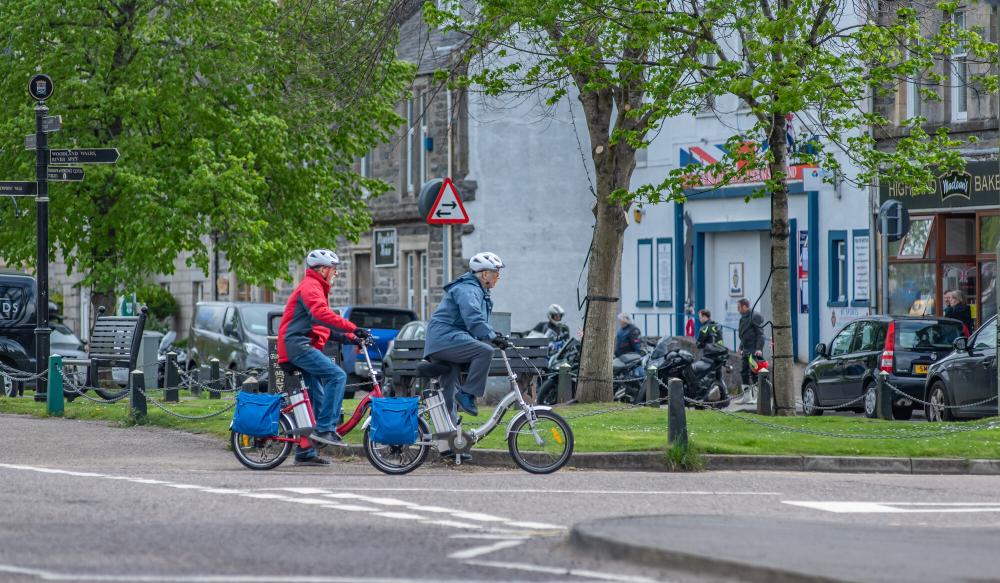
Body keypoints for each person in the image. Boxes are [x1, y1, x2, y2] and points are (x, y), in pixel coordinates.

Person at [277, 249, 371, 467]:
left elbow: (322, 328)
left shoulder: (316, 287)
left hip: (301, 344)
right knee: (337, 376)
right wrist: (354, 327)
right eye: (334, 270)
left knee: (317, 397)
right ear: (324, 269)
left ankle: (305, 452)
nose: (335, 275)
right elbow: (321, 315)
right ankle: (325, 430)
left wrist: (352, 337)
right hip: (297, 345)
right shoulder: (311, 287)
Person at [423, 252, 509, 421]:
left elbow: (474, 323)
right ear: (485, 274)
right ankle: (468, 394)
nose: (498, 278)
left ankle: (448, 436)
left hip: (446, 341)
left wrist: (493, 334)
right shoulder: (468, 290)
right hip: (445, 339)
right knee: (485, 351)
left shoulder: (475, 289)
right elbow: (473, 319)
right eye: (496, 275)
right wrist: (492, 337)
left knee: (449, 391)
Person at [736, 298, 764, 405]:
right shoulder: (742, 318)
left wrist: (759, 349)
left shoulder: (755, 316)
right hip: (746, 350)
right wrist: (740, 347)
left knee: (755, 373)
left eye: (738, 307)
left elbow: (760, 334)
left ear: (744, 306)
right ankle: (747, 397)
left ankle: (758, 397)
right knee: (744, 372)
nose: (737, 309)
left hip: (753, 350)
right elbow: (744, 335)